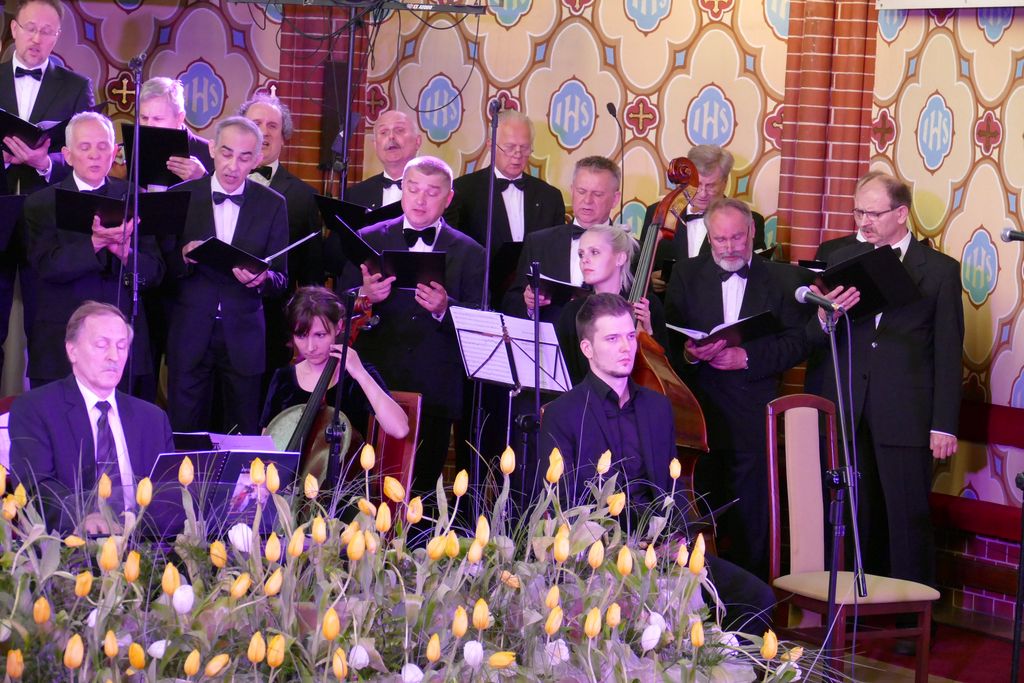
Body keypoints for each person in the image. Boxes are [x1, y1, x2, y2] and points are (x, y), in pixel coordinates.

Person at [539, 292, 775, 634]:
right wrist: (619, 547)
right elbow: (562, 505)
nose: (626, 347)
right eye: (612, 339)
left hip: (662, 550)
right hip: (600, 556)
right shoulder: (563, 413)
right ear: (587, 348)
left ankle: (717, 661)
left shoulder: (658, 406)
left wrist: (677, 537)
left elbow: (671, 487)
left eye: (630, 336)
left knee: (756, 598)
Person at [806, 171, 964, 590]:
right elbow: (817, 337)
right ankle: (853, 602)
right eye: (858, 212)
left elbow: (948, 352)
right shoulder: (840, 256)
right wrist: (824, 316)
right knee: (853, 514)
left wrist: (943, 424)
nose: (864, 221)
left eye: (873, 213)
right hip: (848, 405)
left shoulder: (940, 271)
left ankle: (911, 612)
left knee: (906, 517)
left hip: (906, 412)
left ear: (901, 213)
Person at [664, 197, 809, 579]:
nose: (729, 247)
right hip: (697, 412)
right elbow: (667, 341)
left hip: (752, 410)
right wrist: (690, 353)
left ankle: (752, 598)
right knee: (698, 507)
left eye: (737, 238)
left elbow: (798, 342)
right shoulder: (686, 274)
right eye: (720, 239)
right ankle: (697, 595)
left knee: (751, 513)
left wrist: (747, 357)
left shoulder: (782, 279)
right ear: (708, 237)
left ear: (752, 232)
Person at [338, 156, 485, 507]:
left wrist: (445, 308)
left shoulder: (471, 252)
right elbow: (337, 306)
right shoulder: (369, 237)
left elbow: (482, 321)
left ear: (448, 198)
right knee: (361, 485)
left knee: (421, 493)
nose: (420, 200)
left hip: (434, 385)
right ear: (402, 190)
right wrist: (364, 296)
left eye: (432, 192)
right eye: (413, 189)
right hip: (374, 378)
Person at [21, 111, 164, 390]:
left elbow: (155, 273)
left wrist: (124, 252)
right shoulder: (40, 203)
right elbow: (46, 267)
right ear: (68, 155)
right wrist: (95, 243)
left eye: (102, 147)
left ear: (114, 152)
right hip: (60, 342)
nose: (95, 155)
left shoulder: (135, 198)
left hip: (122, 343)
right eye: (85, 147)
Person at [166, 116, 289, 435]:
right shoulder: (181, 195)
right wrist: (182, 255)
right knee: (184, 429)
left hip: (244, 336)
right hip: (190, 332)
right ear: (212, 149)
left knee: (242, 431)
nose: (233, 165)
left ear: (257, 160)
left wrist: (262, 280)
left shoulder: (273, 205)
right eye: (226, 153)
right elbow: (160, 268)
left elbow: (281, 279)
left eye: (245, 157)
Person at [9, 301, 174, 533]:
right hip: (72, 544)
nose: (114, 356)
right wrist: (84, 516)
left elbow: (169, 496)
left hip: (143, 546)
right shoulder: (36, 409)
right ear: (72, 350)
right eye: (101, 345)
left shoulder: (152, 419)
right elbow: (35, 486)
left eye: (122, 346)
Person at [0, 0, 94, 382]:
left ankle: (49, 413)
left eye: (47, 31)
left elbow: (91, 159)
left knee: (47, 335)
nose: (37, 38)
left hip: (50, 225)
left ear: (57, 37)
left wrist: (45, 162)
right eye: (30, 28)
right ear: (14, 29)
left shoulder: (76, 87)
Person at [239, 93, 325, 393]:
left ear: (283, 137)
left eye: (272, 126)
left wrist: (304, 330)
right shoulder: (213, 185)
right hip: (215, 325)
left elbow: (312, 274)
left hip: (273, 328)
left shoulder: (303, 196)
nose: (264, 132)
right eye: (256, 123)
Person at [259, 286, 409, 442]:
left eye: (320, 335)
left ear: (338, 327)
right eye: (301, 336)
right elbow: (267, 440)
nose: (310, 347)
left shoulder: (356, 375)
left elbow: (400, 430)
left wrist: (361, 374)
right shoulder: (283, 378)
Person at [445, 109, 566, 303]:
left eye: (524, 148)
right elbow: (454, 251)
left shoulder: (549, 196)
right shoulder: (463, 190)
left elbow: (556, 255)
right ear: (490, 145)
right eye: (509, 147)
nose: (517, 155)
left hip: (533, 303)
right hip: (479, 299)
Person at [502, 155, 620, 321]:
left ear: (615, 199)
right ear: (572, 191)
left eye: (598, 194)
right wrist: (528, 303)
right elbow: (510, 303)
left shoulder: (633, 250)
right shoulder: (539, 243)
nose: (587, 200)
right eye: (581, 191)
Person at [646, 145, 767, 294]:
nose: (702, 193)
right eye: (696, 184)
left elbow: (756, 274)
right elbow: (642, 266)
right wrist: (649, 280)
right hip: (668, 303)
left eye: (710, 186)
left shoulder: (747, 220)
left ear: (725, 182)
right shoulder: (658, 213)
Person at [554, 223, 664, 385]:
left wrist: (648, 334)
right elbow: (565, 372)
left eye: (594, 252)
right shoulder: (572, 311)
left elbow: (665, 372)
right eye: (581, 254)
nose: (585, 260)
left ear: (620, 258)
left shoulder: (647, 305)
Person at [137, 76, 213, 186]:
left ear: (179, 118)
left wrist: (202, 178)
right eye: (144, 118)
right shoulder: (130, 149)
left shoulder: (210, 154)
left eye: (157, 119)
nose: (148, 125)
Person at [346, 110, 422, 210]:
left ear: (417, 141)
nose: (391, 136)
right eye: (383, 132)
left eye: (399, 130)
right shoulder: (355, 195)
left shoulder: (437, 189)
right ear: (375, 145)